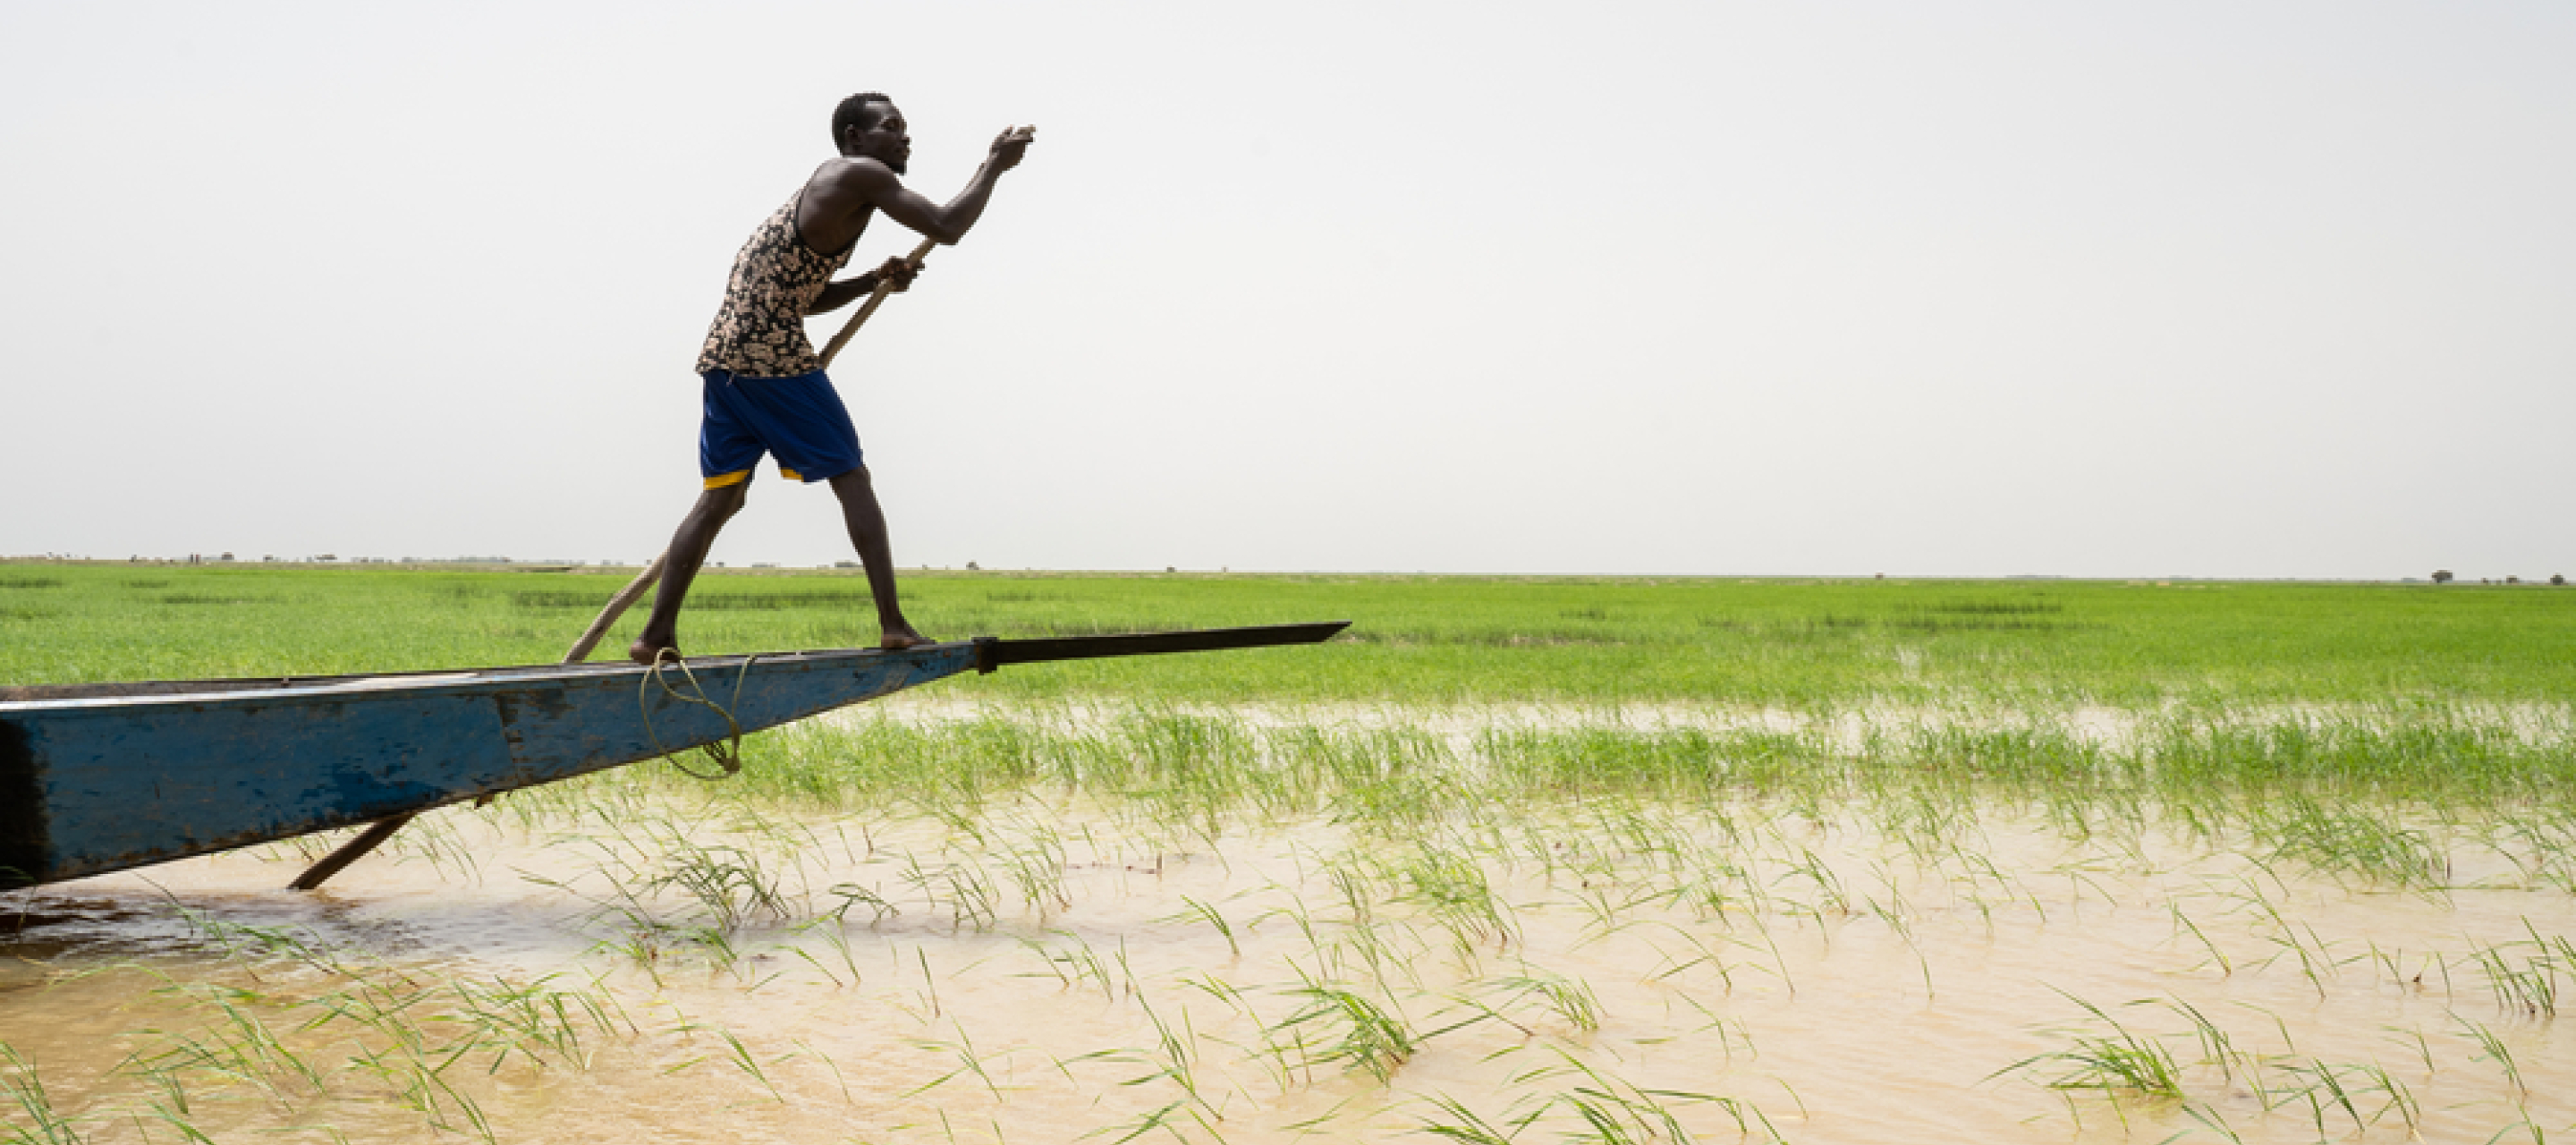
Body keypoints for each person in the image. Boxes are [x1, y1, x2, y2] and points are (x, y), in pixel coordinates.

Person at [630, 94, 1035, 665]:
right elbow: (946, 226)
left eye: (905, 129)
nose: (904, 139)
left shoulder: (832, 190)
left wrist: (872, 279)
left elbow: (805, 295)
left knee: (720, 498)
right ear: (853, 137)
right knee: (852, 475)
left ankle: (654, 636)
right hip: (770, 361)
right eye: (890, 128)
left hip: (726, 362)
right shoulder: (858, 174)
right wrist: (993, 165)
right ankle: (893, 624)